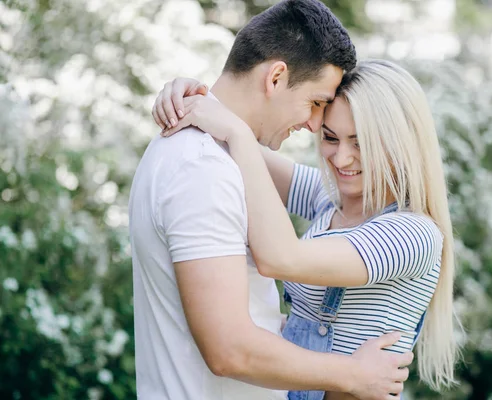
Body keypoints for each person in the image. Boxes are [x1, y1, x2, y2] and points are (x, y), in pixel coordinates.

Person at [129, 0, 413, 399]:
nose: (315, 124)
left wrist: (204, 103)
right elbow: (230, 350)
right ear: (276, 77)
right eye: (315, 102)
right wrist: (352, 374)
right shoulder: (203, 170)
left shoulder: (217, 152)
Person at [156, 59, 460, 400]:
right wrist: (193, 98)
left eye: (360, 144)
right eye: (331, 138)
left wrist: (236, 132)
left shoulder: (412, 234)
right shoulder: (332, 200)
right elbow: (236, 150)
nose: (341, 159)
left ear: (401, 143)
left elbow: (279, 258)